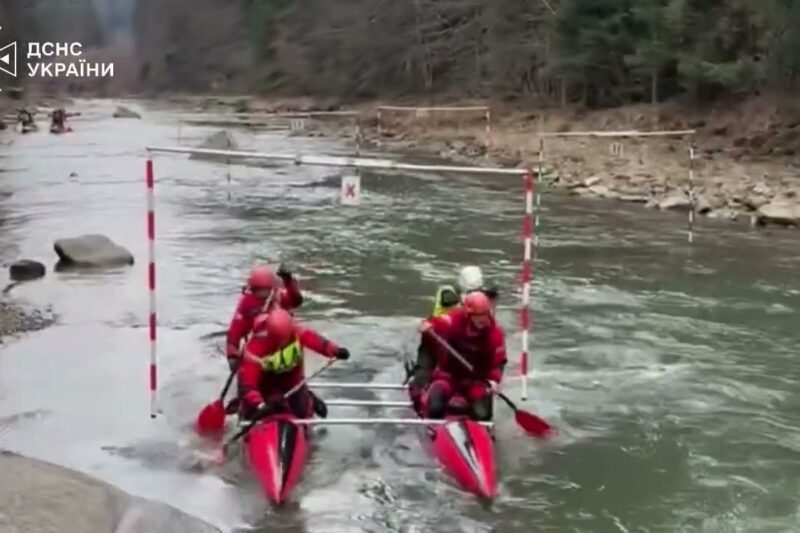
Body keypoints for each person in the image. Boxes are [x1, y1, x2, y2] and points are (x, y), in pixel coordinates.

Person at [405, 265, 498, 408]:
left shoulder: (485, 304)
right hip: (437, 340)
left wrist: (493, 380)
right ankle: (419, 390)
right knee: (424, 379)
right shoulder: (448, 297)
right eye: (470, 291)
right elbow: (440, 322)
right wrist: (428, 326)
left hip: (465, 347)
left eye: (477, 291)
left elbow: (495, 346)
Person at [239, 308, 350, 421]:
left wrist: (334, 350)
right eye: (280, 339)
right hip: (265, 385)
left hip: (291, 380)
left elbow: (315, 340)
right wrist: (260, 404)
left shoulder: (295, 332)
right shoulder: (255, 347)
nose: (284, 342)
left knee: (301, 411)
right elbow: (248, 384)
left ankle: (309, 397)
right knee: (253, 414)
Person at [418, 291, 506, 422]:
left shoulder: (495, 334)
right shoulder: (453, 320)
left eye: (485, 314)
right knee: (435, 407)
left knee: (482, 414)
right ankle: (428, 410)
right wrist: (427, 325)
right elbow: (436, 323)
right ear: (468, 315)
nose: (483, 319)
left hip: (477, 381)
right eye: (478, 316)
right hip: (448, 376)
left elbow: (498, 364)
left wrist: (494, 380)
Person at [225, 263, 303, 372]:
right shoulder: (246, 304)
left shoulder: (277, 296)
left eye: (265, 290)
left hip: (282, 342)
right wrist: (232, 356)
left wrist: (288, 281)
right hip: (259, 347)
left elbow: (296, 301)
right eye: (259, 291)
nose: (262, 294)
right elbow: (234, 332)